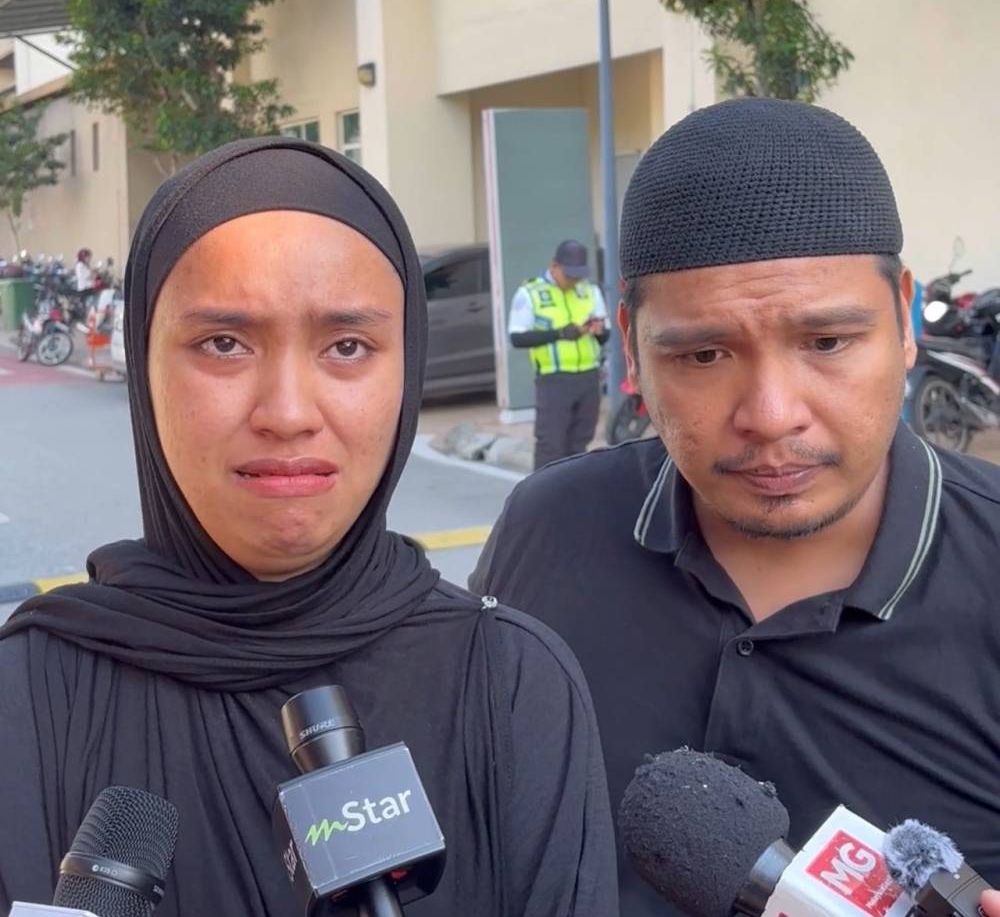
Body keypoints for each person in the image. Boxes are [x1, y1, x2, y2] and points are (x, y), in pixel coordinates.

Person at [0, 138, 617, 917]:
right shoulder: (26, 700)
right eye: (223, 343)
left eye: (347, 346)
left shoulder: (513, 685)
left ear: (407, 366)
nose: (288, 412)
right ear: (142, 367)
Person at [471, 98, 1000, 915]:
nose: (771, 413)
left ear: (903, 317)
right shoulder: (551, 530)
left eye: (826, 343)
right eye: (705, 353)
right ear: (633, 347)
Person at [508, 239, 609, 469]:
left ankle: (572, 497)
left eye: (578, 275)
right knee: (551, 444)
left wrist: (598, 331)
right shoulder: (530, 293)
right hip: (554, 381)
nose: (574, 280)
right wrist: (562, 333)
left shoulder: (589, 291)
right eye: (569, 274)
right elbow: (517, 337)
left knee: (580, 444)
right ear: (554, 266)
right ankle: (543, 499)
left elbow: (606, 335)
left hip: (588, 377)